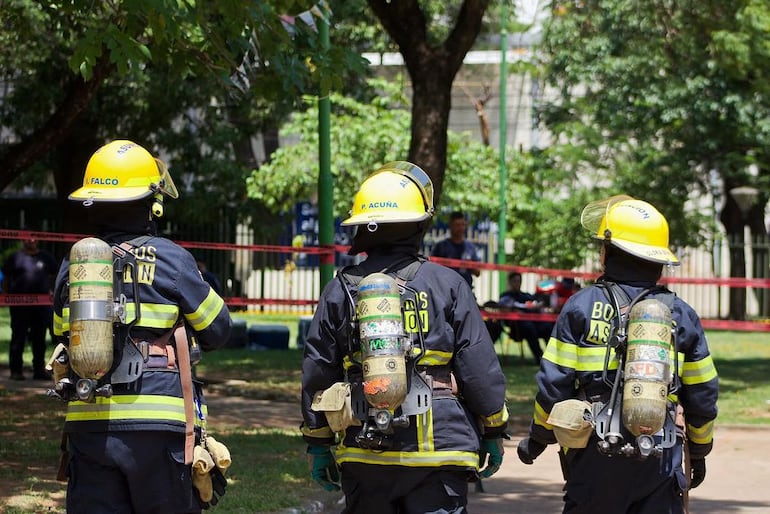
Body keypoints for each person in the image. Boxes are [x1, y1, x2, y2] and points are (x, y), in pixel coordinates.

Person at [300, 162, 509, 513]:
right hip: (440, 449)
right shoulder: (449, 284)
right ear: (419, 224)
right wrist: (493, 430)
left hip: (366, 452)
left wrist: (318, 442)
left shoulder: (341, 290)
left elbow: (319, 369)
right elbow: (479, 368)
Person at [51, 140, 232, 513]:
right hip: (157, 424)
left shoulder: (75, 265)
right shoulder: (171, 258)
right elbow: (218, 328)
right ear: (151, 201)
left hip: (89, 422)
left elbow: (59, 330)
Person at [517, 195, 718, 514]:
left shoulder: (580, 307)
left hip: (596, 456)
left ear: (609, 253)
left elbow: (553, 386)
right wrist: (701, 449)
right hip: (660, 457)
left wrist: (538, 440)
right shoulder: (682, 314)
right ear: (658, 261)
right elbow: (703, 394)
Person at [2, 232, 59, 380]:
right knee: (18, 336)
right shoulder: (15, 257)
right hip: (19, 305)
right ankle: (16, 371)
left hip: (41, 305)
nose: (31, 240)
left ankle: (38, 370)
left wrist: (51, 292)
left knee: (39, 337)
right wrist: (7, 297)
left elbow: (55, 275)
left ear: (38, 239)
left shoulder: (46, 257)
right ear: (22, 239)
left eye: (33, 237)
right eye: (27, 237)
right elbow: (6, 278)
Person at [497, 271, 554, 363]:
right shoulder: (505, 296)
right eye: (515, 281)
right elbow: (504, 309)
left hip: (535, 324)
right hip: (516, 327)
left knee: (548, 326)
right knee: (528, 327)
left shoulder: (526, 296)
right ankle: (539, 357)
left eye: (519, 281)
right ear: (510, 282)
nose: (517, 283)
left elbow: (536, 306)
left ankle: (552, 357)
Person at [431, 211, 481, 289]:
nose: (461, 228)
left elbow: (477, 272)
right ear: (451, 226)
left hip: (465, 290)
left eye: (463, 225)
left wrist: (469, 265)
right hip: (445, 290)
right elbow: (432, 269)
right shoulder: (441, 247)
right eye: (457, 225)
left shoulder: (470, 247)